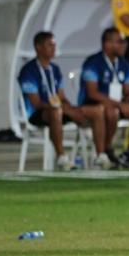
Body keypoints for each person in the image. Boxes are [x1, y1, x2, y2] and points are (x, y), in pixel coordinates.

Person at [17, 31, 108, 170]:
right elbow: (37, 104)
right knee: (56, 111)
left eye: (54, 45)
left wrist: (71, 109)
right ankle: (62, 157)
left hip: (58, 109)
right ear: (38, 47)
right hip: (38, 113)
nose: (54, 48)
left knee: (97, 110)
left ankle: (101, 155)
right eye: (49, 45)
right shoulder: (28, 71)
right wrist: (67, 110)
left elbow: (62, 97)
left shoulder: (55, 69)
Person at [79, 27, 129, 169]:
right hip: (93, 106)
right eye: (119, 42)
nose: (124, 45)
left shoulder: (123, 64)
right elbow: (92, 93)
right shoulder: (93, 62)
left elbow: (127, 90)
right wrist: (120, 105)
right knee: (111, 111)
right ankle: (106, 150)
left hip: (116, 105)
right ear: (107, 44)